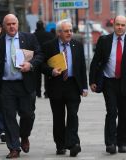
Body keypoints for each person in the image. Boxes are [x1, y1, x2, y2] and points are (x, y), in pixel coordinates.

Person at [0, 14, 44, 159]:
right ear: (4, 27)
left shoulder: (29, 38)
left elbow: (40, 55)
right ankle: (14, 147)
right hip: (5, 86)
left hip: (25, 84)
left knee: (28, 115)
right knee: (8, 117)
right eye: (8, 24)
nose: (11, 26)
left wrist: (30, 65)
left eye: (14, 23)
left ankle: (24, 136)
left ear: (18, 24)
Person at [89, 15, 126, 154]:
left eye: (123, 25)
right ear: (113, 25)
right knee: (111, 111)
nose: (120, 27)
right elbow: (95, 62)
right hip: (109, 82)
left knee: (123, 113)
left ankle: (122, 143)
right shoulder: (104, 40)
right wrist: (92, 81)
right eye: (118, 24)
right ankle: (110, 143)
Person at [40, 19, 88, 157]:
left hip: (73, 85)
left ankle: (73, 143)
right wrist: (51, 71)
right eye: (66, 31)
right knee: (58, 117)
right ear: (59, 32)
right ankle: (60, 145)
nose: (69, 33)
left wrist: (84, 87)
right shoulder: (49, 46)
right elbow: (41, 65)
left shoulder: (77, 45)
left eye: (71, 30)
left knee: (73, 115)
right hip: (56, 85)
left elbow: (81, 67)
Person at [33, 20, 55, 98]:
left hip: (36, 57)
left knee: (36, 76)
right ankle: (47, 92)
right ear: (43, 26)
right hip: (47, 57)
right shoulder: (49, 35)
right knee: (47, 75)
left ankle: (38, 92)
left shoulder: (33, 35)